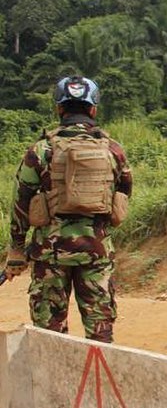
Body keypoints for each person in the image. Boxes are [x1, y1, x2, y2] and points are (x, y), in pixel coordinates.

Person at [3, 76, 132, 343]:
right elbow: (124, 193)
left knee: (49, 335)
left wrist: (17, 247)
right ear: (93, 109)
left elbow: (21, 202)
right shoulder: (113, 150)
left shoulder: (41, 150)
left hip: (50, 254)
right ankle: (99, 382)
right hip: (96, 252)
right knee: (100, 332)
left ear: (59, 109)